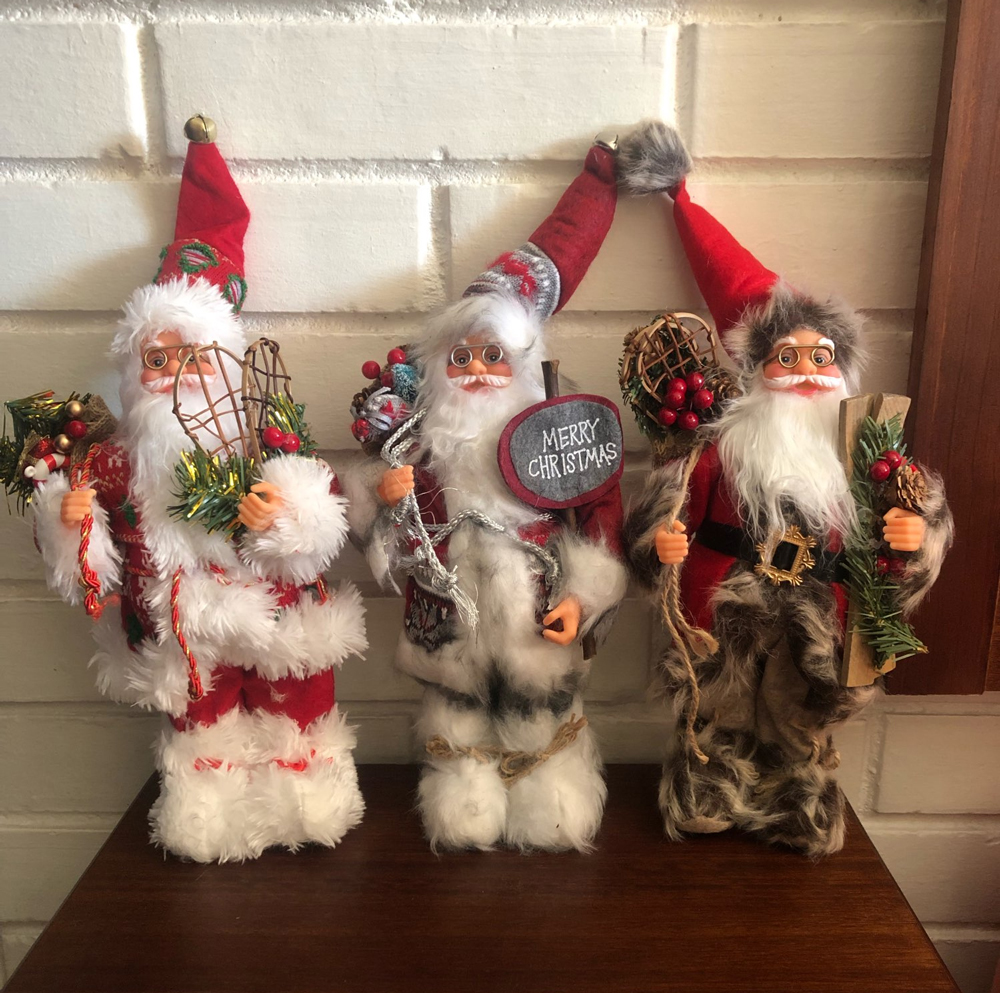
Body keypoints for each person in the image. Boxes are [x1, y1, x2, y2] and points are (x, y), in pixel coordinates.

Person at [32, 118, 367, 863]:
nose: (172, 373)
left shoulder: (260, 439)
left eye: (191, 356)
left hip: (278, 621)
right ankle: (209, 819)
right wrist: (69, 520)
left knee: (296, 711)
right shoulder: (110, 463)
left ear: (223, 363)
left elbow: (323, 520)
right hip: (181, 631)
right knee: (200, 721)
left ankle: (306, 805)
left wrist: (283, 513)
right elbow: (87, 571)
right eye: (155, 360)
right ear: (133, 375)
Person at [619, 122, 953, 856]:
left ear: (843, 370)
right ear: (756, 369)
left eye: (820, 358)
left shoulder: (862, 447)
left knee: (798, 711)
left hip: (819, 609)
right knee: (720, 704)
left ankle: (798, 794)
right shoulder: (722, 447)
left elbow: (907, 511)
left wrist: (915, 533)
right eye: (787, 358)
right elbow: (667, 509)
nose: (805, 372)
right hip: (725, 600)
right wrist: (660, 540)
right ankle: (707, 781)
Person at [345, 135, 633, 852]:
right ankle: (462, 785)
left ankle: (552, 785)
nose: (477, 371)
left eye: (494, 356)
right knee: (456, 710)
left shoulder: (557, 434)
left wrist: (584, 597)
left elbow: (599, 516)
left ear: (523, 364)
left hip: (538, 613)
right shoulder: (419, 444)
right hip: (445, 620)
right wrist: (386, 497)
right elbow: (383, 528)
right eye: (463, 357)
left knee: (542, 709)